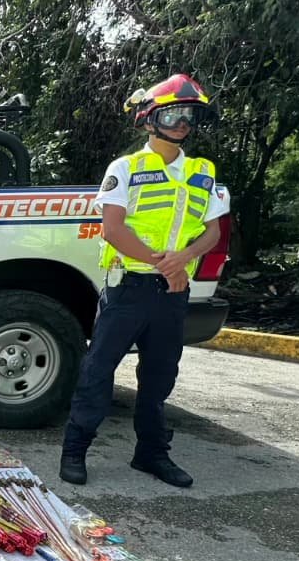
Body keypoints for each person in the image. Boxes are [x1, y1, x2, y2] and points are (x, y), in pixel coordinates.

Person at [59, 74, 228, 488]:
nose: (183, 124)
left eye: (190, 116)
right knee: (98, 371)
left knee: (159, 377)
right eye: (173, 115)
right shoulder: (126, 168)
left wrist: (183, 260)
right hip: (129, 288)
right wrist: (166, 264)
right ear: (150, 119)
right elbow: (113, 229)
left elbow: (212, 233)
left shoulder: (202, 172)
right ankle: (75, 450)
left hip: (172, 294)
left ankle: (150, 454)